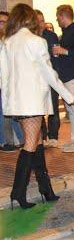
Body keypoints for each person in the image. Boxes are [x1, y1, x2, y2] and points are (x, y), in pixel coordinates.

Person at [0, 3, 74, 209]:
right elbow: (48, 73)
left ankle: (46, 189)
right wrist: (67, 95)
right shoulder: (37, 41)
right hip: (33, 101)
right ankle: (18, 192)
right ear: (30, 19)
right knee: (31, 145)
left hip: (19, 101)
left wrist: (8, 103)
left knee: (38, 143)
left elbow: (3, 77)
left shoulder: (7, 42)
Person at [53, 4, 74, 153]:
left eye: (57, 17)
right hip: (66, 77)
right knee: (70, 109)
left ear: (62, 16)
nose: (56, 20)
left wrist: (64, 51)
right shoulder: (66, 32)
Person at [35, 10, 61, 148]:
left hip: (51, 76)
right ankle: (42, 136)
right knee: (39, 109)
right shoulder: (31, 38)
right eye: (38, 20)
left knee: (53, 108)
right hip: (36, 80)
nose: (41, 23)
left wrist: (56, 75)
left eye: (42, 20)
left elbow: (56, 57)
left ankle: (53, 136)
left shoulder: (51, 36)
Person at [0, 10, 24, 152]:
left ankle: (17, 140)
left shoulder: (13, 41)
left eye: (4, 22)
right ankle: (5, 141)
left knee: (11, 113)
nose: (1, 25)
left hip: (11, 82)